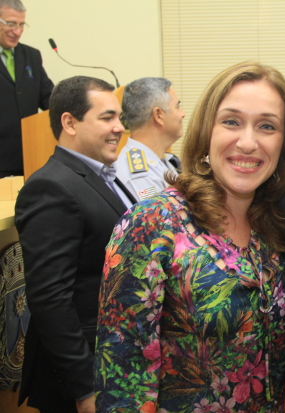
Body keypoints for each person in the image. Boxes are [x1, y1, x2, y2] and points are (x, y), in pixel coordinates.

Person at [94, 62, 285, 413]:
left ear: (284, 144)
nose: (248, 142)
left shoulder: (275, 228)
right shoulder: (154, 222)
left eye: (267, 126)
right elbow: (122, 379)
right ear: (206, 131)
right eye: (231, 121)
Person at [15, 76, 136, 413]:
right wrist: (84, 387)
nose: (119, 128)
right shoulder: (51, 188)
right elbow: (50, 298)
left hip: (116, 358)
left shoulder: (101, 177)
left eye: (119, 118)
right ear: (69, 122)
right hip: (83, 375)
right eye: (107, 118)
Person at [0, 0, 54, 177]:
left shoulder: (31, 56)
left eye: (21, 25)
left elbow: (49, 98)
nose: (17, 31)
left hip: (30, 156)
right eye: (10, 24)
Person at [116, 77, 185, 201]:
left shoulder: (163, 161)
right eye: (177, 107)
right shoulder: (141, 176)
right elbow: (159, 218)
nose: (182, 114)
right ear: (158, 115)